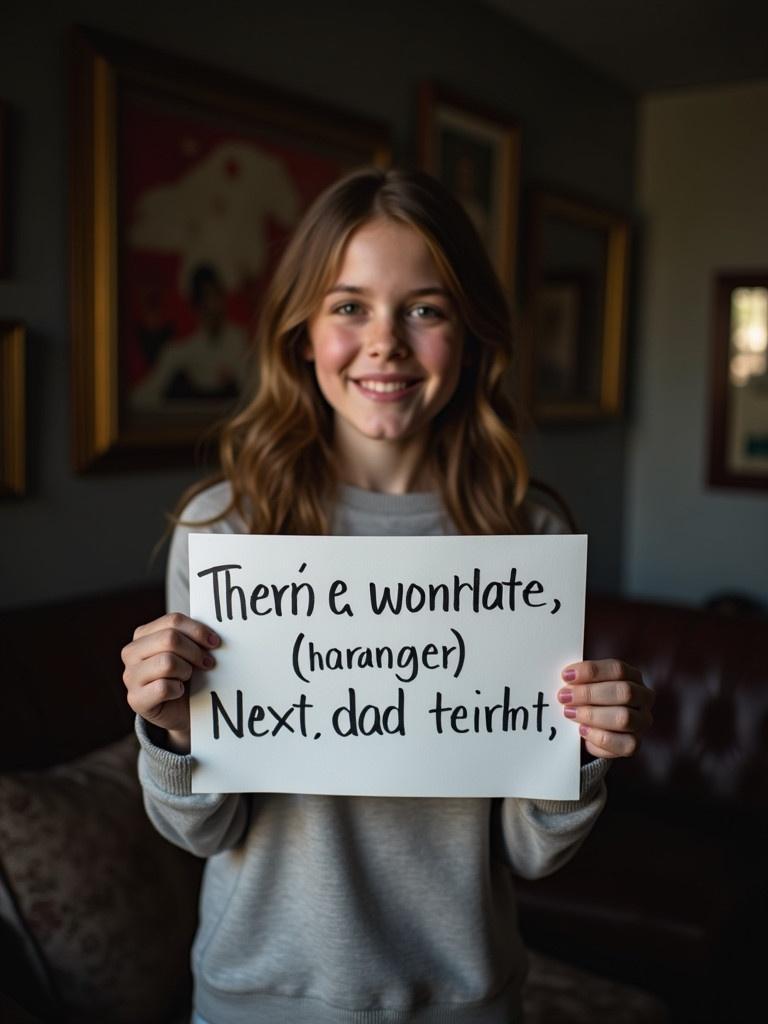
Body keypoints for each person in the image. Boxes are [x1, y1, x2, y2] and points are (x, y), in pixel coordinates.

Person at [121, 167, 654, 1024]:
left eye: (425, 309)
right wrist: (174, 730)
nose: (386, 344)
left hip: (464, 997)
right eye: (350, 306)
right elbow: (202, 831)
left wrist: (582, 750)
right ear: (301, 333)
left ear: (471, 333)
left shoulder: (528, 534)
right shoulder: (227, 527)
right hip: (259, 995)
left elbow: (530, 849)